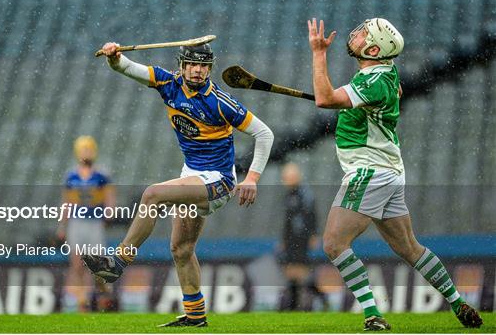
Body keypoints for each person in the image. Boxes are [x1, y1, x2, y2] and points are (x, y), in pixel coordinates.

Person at [307, 18, 483, 330]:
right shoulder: (385, 72)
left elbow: (324, 99)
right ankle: (457, 302)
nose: (356, 34)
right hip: (389, 172)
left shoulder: (373, 81)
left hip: (369, 172)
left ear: (374, 49)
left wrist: (319, 53)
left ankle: (373, 314)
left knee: (334, 243)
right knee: (410, 248)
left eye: (363, 34)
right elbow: (393, 90)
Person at [81, 41, 274, 327]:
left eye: (204, 66)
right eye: (192, 65)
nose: (198, 71)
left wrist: (253, 178)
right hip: (192, 176)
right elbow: (126, 67)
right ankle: (195, 317)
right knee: (181, 249)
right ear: (182, 65)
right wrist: (114, 57)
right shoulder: (167, 83)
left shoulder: (219, 101)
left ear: (210, 69)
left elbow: (265, 134)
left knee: (152, 195)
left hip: (218, 182)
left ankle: (117, 262)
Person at [57, 135, 116, 312]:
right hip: (76, 223)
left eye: (89, 149)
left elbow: (110, 197)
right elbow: (66, 202)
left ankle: (102, 296)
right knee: (76, 264)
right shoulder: (71, 176)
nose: (87, 153)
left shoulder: (101, 175)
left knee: (97, 264)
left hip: (94, 223)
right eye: (84, 149)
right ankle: (82, 302)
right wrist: (62, 226)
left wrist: (109, 211)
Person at [278, 162, 319, 311]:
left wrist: (313, 234)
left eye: (287, 177)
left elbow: (311, 215)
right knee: (292, 272)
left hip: (301, 238)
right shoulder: (289, 195)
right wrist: (284, 239)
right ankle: (294, 306)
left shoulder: (304, 193)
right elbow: (287, 220)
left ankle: (316, 300)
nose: (285, 180)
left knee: (299, 272)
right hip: (291, 239)